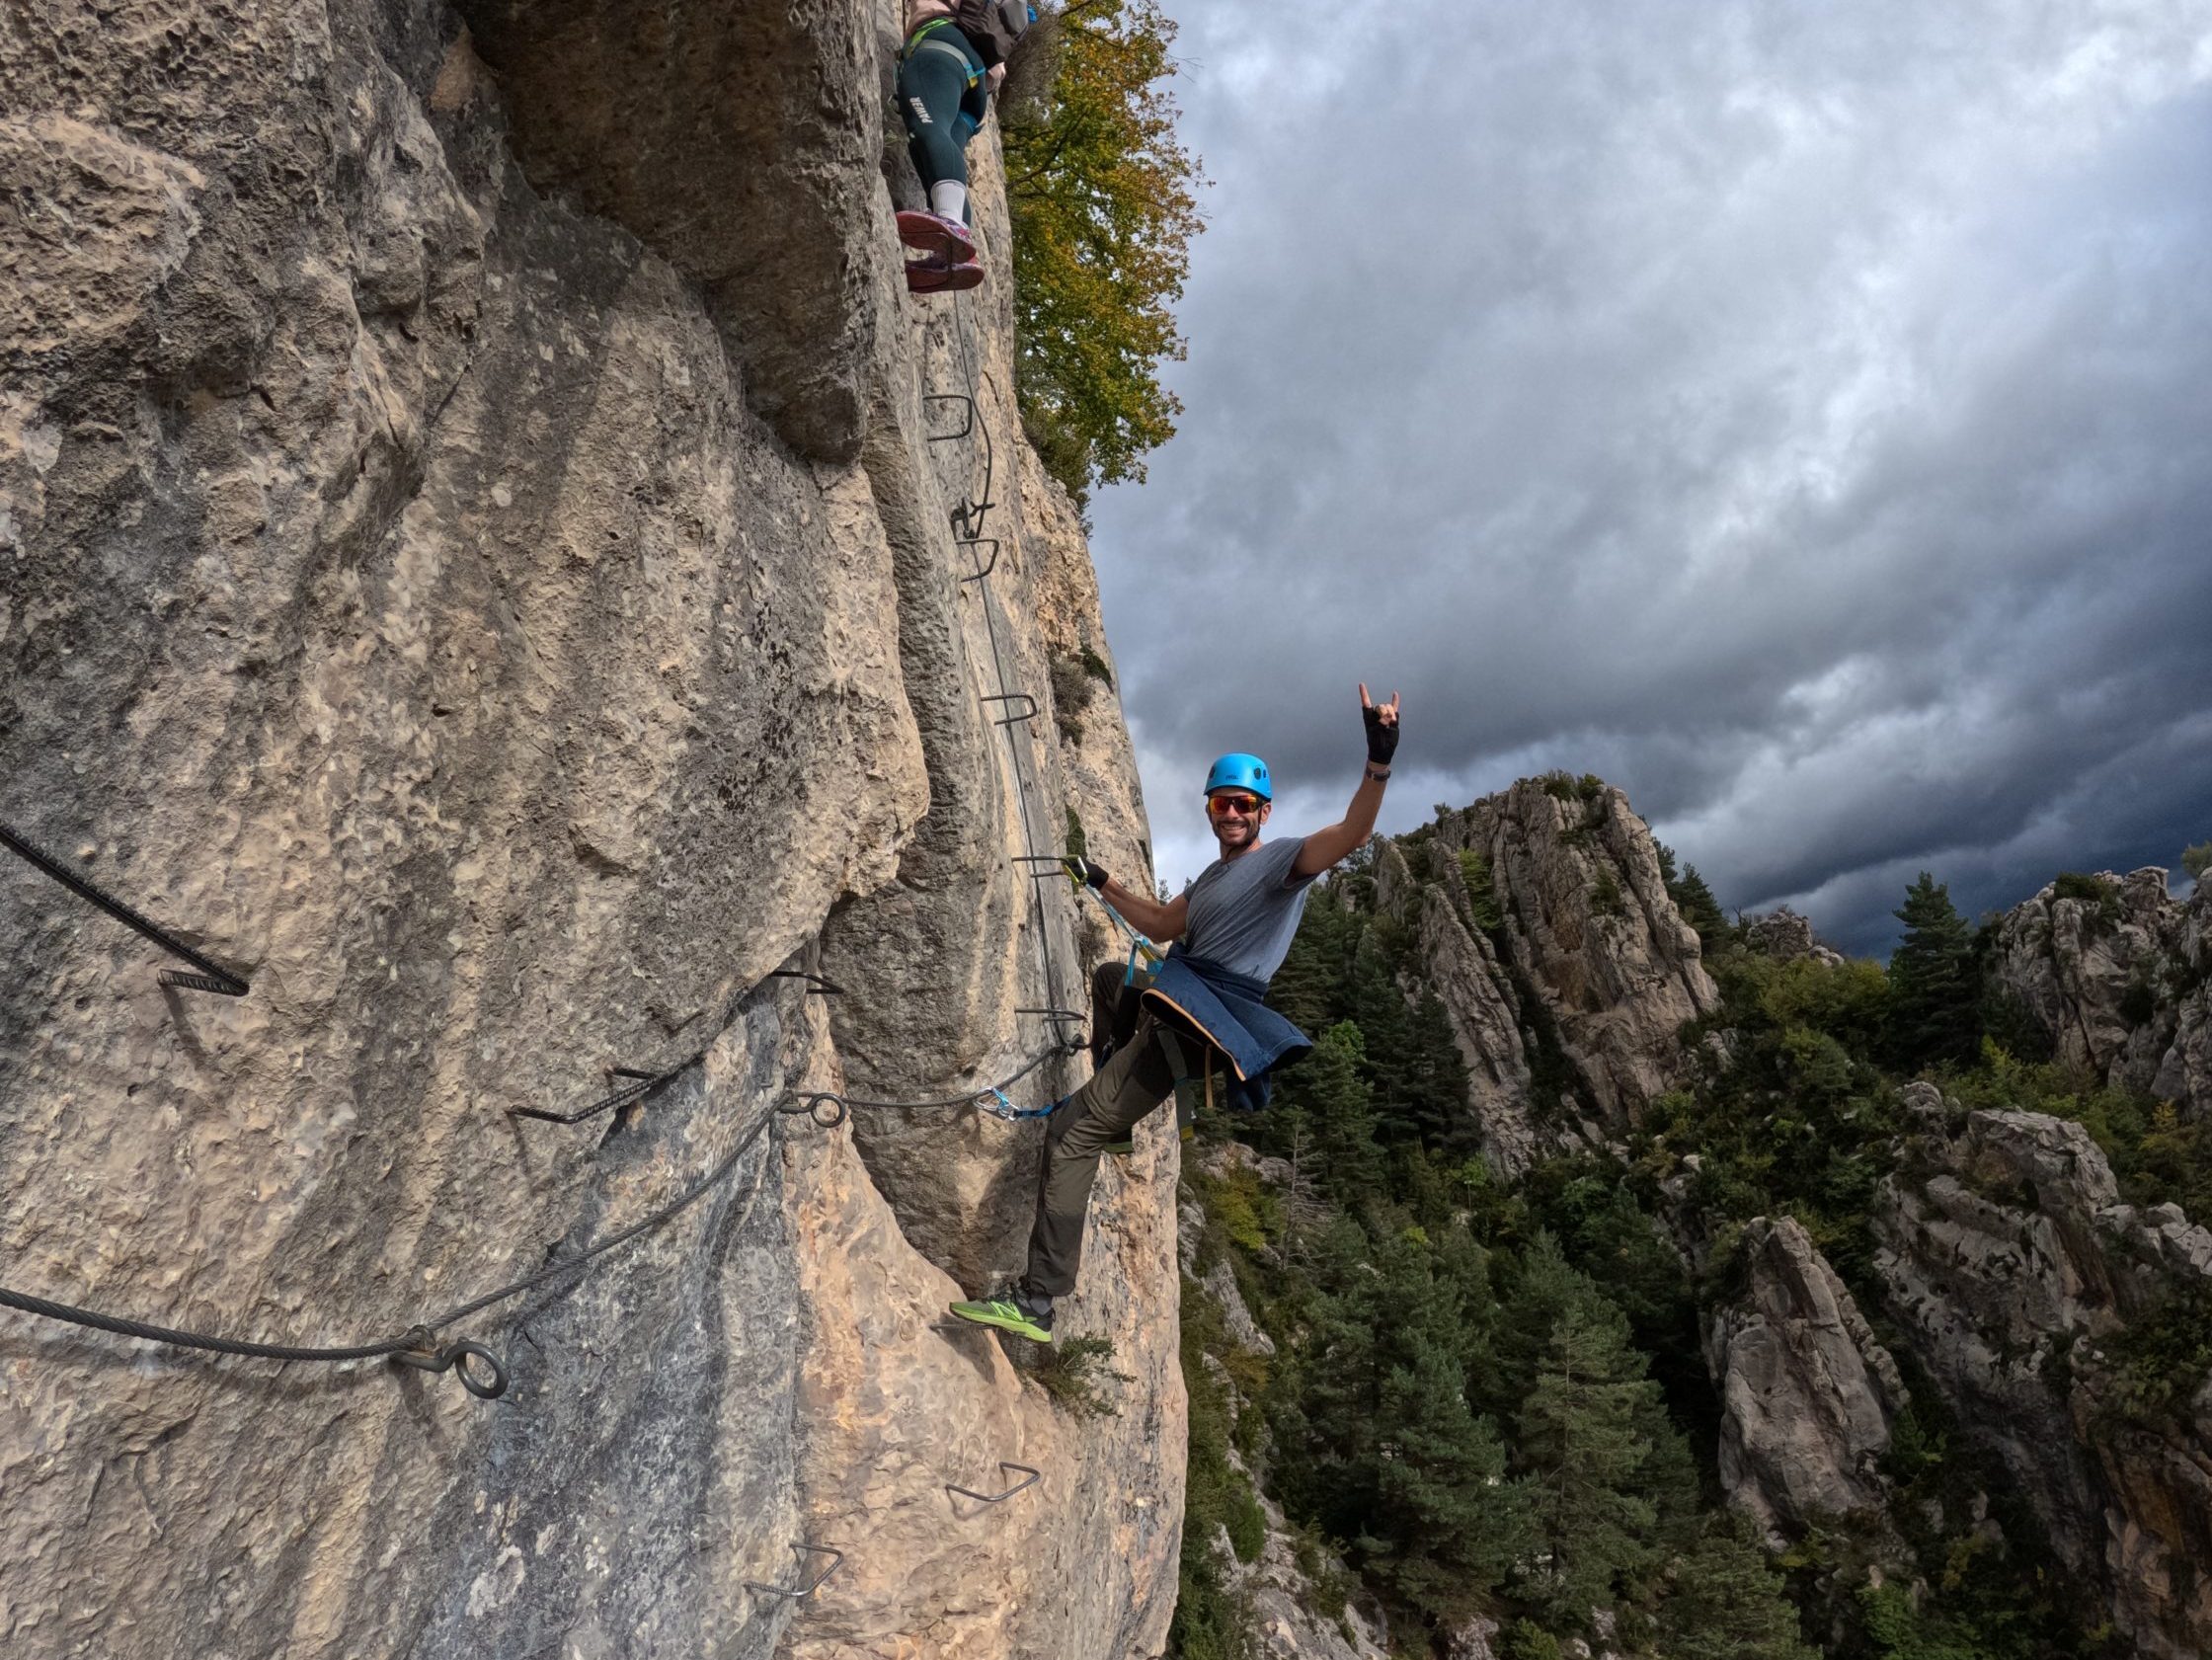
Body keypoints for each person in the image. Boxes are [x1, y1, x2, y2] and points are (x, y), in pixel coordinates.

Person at [951, 685, 1403, 1341]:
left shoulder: (1283, 864)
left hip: (1199, 1021)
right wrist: (1102, 880)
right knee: (1112, 981)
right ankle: (1115, 1119)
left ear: (1263, 812)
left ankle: (1038, 1300)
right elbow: (1163, 922)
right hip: (1177, 1001)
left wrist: (1379, 759)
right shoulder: (1212, 881)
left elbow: (1355, 830)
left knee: (1070, 1132)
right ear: (1212, 809)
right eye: (1223, 803)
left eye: (1244, 805)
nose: (1232, 814)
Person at [895, 2, 1032, 293]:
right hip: (976, 89)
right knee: (935, 152)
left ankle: (951, 224)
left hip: (940, 51)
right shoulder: (987, 21)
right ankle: (954, 257)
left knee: (927, 127)